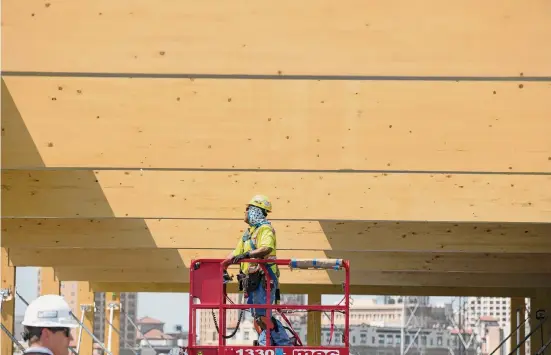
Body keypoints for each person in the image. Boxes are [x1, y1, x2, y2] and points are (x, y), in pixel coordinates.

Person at [222, 194, 292, 346]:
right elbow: (235, 253)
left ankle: (284, 344)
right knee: (257, 316)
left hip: (264, 278)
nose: (245, 213)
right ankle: (269, 342)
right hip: (252, 281)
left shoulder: (265, 229)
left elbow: (266, 248)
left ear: (256, 210)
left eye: (248, 209)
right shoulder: (248, 234)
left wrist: (247, 254)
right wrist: (223, 265)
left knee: (262, 315)